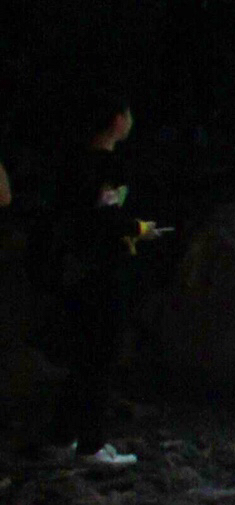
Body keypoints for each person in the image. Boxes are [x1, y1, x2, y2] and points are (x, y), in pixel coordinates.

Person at [36, 98, 148, 467]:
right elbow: (104, 216)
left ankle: (62, 437)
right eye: (128, 115)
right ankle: (91, 444)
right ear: (117, 120)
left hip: (78, 270)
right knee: (101, 354)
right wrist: (137, 229)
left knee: (84, 356)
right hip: (102, 270)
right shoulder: (102, 165)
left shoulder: (73, 161)